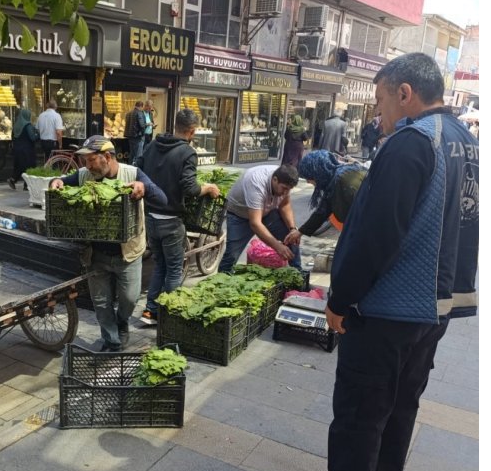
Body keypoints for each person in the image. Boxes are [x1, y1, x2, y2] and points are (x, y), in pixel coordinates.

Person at [296, 52, 480, 471]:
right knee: (401, 404)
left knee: (360, 410)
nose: (377, 116)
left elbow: (377, 233)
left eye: (380, 102)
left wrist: (340, 300)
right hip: (436, 308)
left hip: (392, 308)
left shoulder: (411, 143)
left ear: (405, 94)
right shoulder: (466, 141)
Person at [49, 136, 169, 352]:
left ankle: (122, 322)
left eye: (92, 160)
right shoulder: (85, 175)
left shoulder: (132, 173)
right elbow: (62, 182)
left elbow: (162, 198)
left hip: (128, 253)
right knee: (102, 304)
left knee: (130, 299)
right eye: (85, 161)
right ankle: (112, 341)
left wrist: (144, 188)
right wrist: (56, 182)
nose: (87, 166)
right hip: (95, 254)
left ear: (107, 157)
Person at [136, 108, 221, 326]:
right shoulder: (187, 153)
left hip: (150, 218)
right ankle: (168, 316)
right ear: (192, 131)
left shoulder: (153, 145)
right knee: (174, 269)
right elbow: (190, 188)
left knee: (160, 266)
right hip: (171, 220)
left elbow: (139, 170)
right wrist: (208, 187)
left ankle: (150, 312)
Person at [216, 163, 302, 273]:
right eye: (284, 188)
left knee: (291, 238)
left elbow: (284, 205)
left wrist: (292, 229)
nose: (285, 192)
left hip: (266, 212)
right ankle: (221, 280)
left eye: (289, 190)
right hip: (239, 215)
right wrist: (277, 246)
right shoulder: (257, 183)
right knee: (231, 255)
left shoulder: (284, 179)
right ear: (275, 180)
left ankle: (299, 274)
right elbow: (255, 224)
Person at [296, 150, 367, 237]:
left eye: (309, 176)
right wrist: (300, 232)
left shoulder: (342, 181)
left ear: (318, 172)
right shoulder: (335, 179)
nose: (308, 181)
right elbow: (322, 211)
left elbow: (360, 219)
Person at [8, 107, 39, 190]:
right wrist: (38, 135)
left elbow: (13, 137)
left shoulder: (16, 125)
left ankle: (13, 179)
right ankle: (27, 185)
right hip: (27, 151)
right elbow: (32, 138)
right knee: (29, 167)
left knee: (20, 166)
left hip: (17, 150)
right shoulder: (28, 126)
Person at [124, 100, 147, 164]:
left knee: (132, 154)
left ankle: (130, 167)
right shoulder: (139, 113)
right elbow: (142, 125)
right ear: (141, 106)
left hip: (130, 137)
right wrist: (143, 134)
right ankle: (137, 169)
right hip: (138, 137)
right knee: (138, 155)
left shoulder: (129, 113)